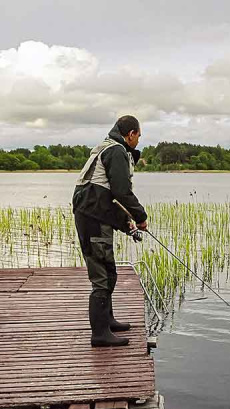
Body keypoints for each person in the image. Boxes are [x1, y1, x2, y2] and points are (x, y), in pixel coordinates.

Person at [72, 115, 148, 347]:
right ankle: (100, 334)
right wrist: (141, 216)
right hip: (92, 219)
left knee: (109, 271)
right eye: (139, 136)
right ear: (131, 134)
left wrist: (127, 223)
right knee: (102, 278)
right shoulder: (115, 151)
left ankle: (108, 321)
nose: (138, 141)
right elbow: (121, 192)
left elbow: (107, 198)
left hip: (94, 215)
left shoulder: (106, 147)